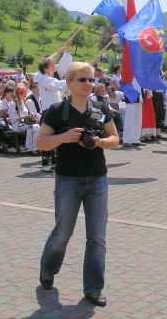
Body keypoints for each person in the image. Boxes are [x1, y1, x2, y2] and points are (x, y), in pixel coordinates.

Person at [37, 62, 119, 307]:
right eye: (82, 80)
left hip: (97, 179)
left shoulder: (101, 107)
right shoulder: (56, 111)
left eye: (91, 80)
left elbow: (115, 139)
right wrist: (64, 137)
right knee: (62, 232)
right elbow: (41, 143)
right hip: (68, 179)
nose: (89, 84)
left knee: (97, 237)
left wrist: (97, 142)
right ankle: (48, 269)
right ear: (69, 83)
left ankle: (93, 289)